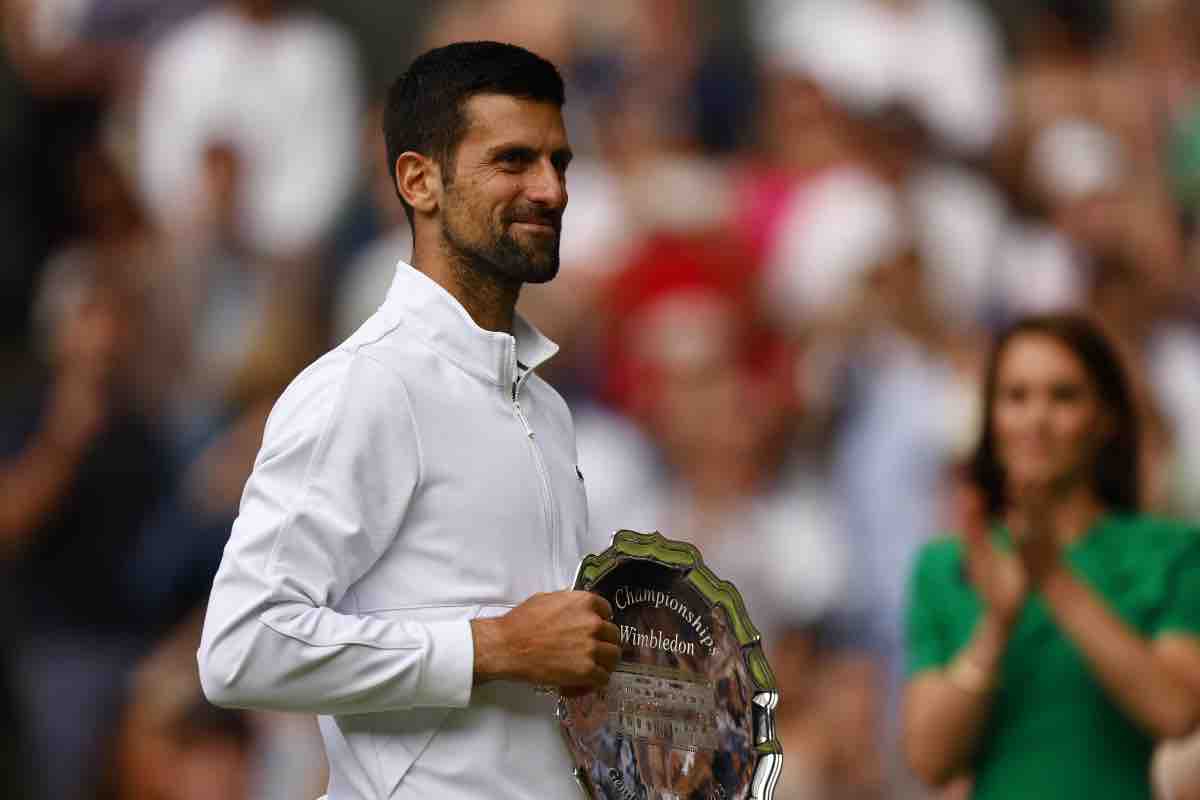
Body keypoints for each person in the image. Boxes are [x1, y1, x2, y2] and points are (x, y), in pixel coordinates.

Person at [197, 41, 621, 799]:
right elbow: (241, 646)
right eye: (514, 160)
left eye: (561, 162)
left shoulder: (545, 407)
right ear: (419, 180)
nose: (551, 190)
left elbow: (536, 690)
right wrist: (493, 646)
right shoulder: (362, 388)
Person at [903, 312, 1200, 799]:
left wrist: (1052, 577)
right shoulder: (949, 564)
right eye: (1016, 396)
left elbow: (1177, 711)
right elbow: (929, 759)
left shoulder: (1170, 551)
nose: (1037, 419)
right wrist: (997, 624)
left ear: (1104, 417)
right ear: (991, 416)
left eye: (1063, 396)